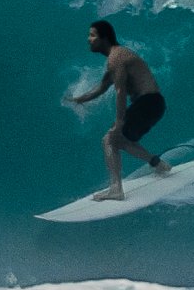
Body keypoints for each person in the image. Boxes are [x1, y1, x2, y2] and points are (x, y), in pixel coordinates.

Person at [62, 19, 170, 201]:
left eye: (92, 35)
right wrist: (80, 99)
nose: (88, 39)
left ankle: (116, 189)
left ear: (104, 38)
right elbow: (102, 86)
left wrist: (119, 123)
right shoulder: (116, 58)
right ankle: (158, 165)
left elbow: (120, 91)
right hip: (153, 104)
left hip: (147, 103)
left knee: (109, 140)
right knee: (118, 141)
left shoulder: (116, 58)